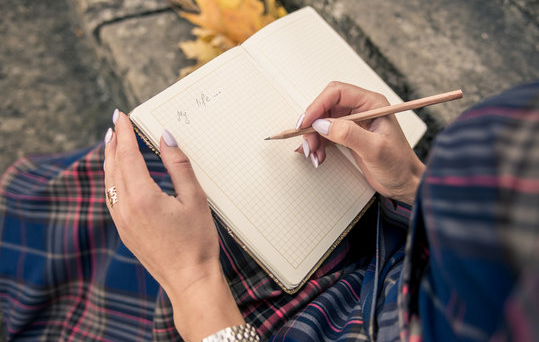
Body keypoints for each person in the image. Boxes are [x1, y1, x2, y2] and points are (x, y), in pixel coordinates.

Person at [0, 81, 538, 341]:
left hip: (288, 323)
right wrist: (414, 186)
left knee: (142, 243)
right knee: (155, 162)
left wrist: (192, 281)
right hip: (390, 255)